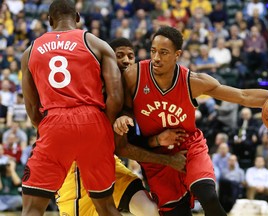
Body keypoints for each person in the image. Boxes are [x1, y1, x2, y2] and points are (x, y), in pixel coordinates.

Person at [114, 26, 268, 216]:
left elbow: (242, 96)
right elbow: (126, 107)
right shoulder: (134, 74)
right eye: (153, 51)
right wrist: (125, 116)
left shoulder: (192, 81)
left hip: (189, 145)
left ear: (177, 54)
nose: (156, 58)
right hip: (155, 154)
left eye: (163, 52)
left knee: (208, 196)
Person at [56, 37, 187, 216]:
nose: (126, 60)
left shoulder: (135, 91)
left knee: (151, 211)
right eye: (120, 55)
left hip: (110, 165)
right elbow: (122, 147)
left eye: (131, 56)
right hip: (78, 169)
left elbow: (127, 143)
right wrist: (169, 161)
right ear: (108, 59)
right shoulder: (93, 89)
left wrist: (157, 140)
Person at [20, 0, 123, 215]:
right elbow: (115, 96)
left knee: (32, 206)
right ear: (77, 17)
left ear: (49, 20)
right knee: (105, 205)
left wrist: (48, 128)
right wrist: (105, 124)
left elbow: (31, 106)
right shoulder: (97, 43)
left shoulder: (30, 51)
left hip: (54, 120)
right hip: (93, 120)